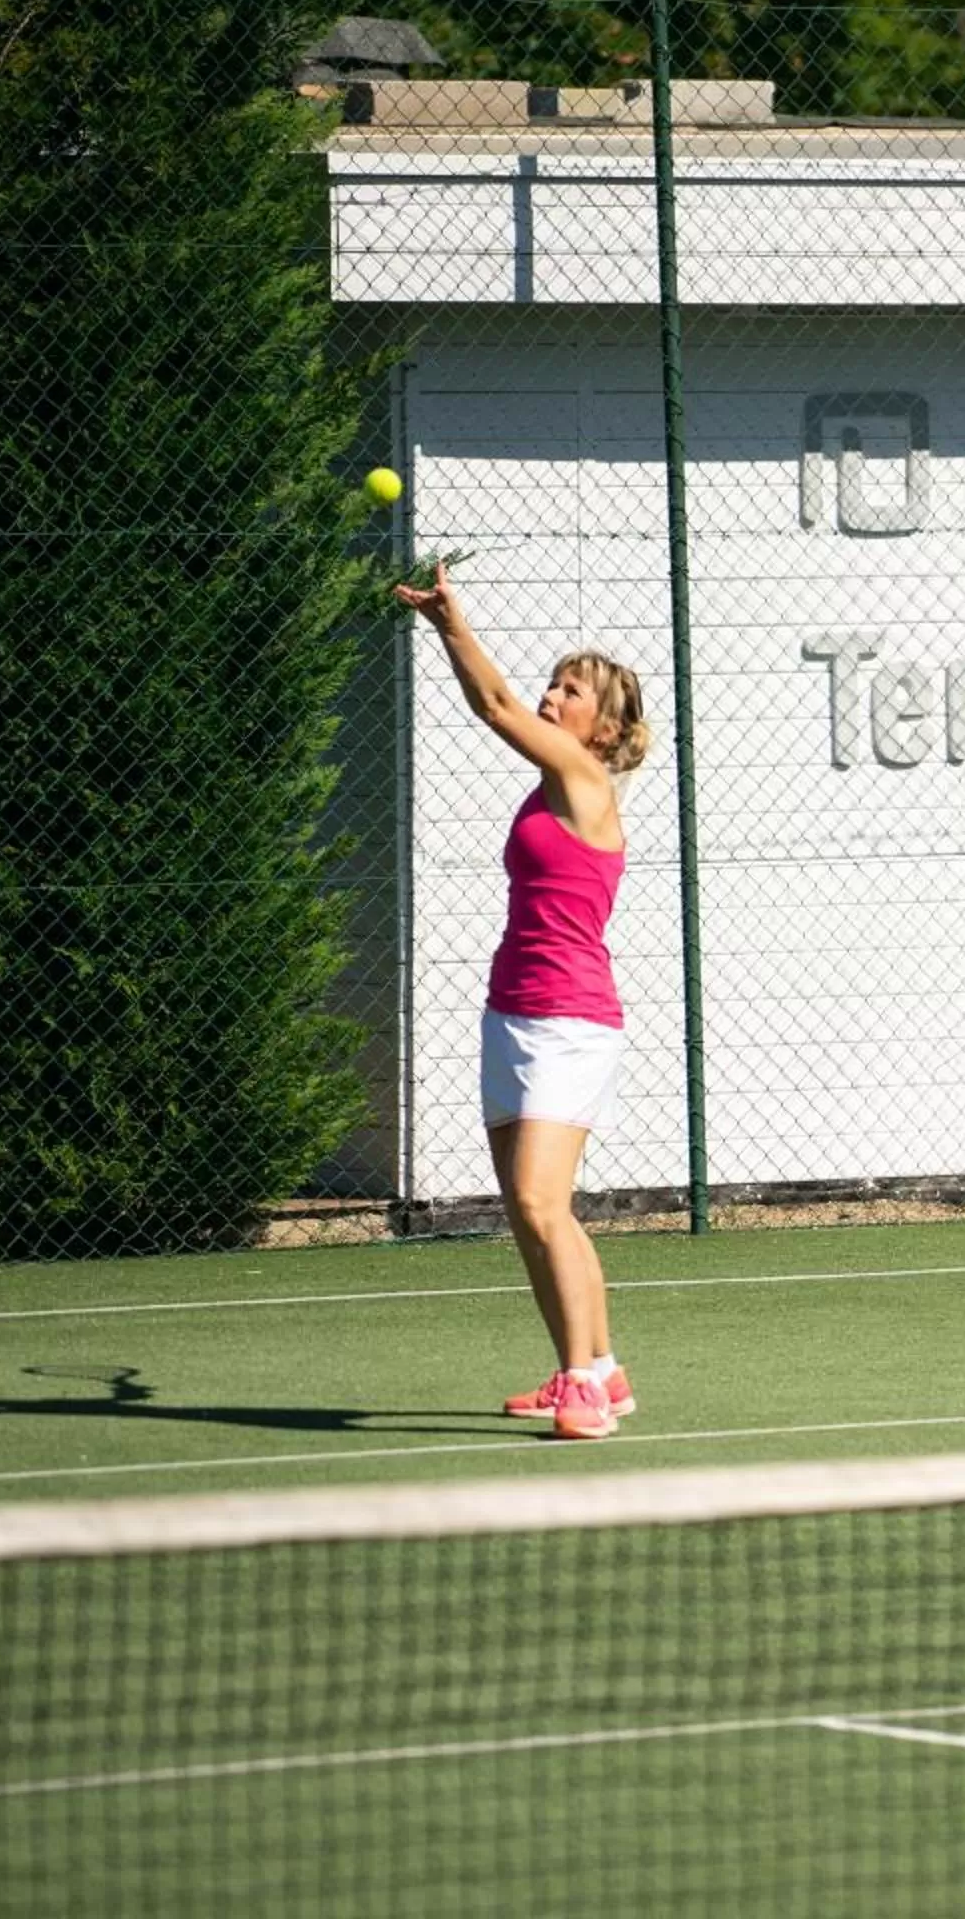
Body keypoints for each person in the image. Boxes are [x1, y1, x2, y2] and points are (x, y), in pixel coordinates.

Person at [395, 560, 650, 1441]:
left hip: (571, 1022)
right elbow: (508, 707)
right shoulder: (547, 791)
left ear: (605, 725)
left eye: (569, 689)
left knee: (546, 1207)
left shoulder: (584, 782)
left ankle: (584, 1383)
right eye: (552, 681)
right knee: (529, 1212)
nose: (549, 695)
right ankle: (599, 1371)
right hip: (511, 1013)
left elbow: (493, 706)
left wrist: (447, 623)